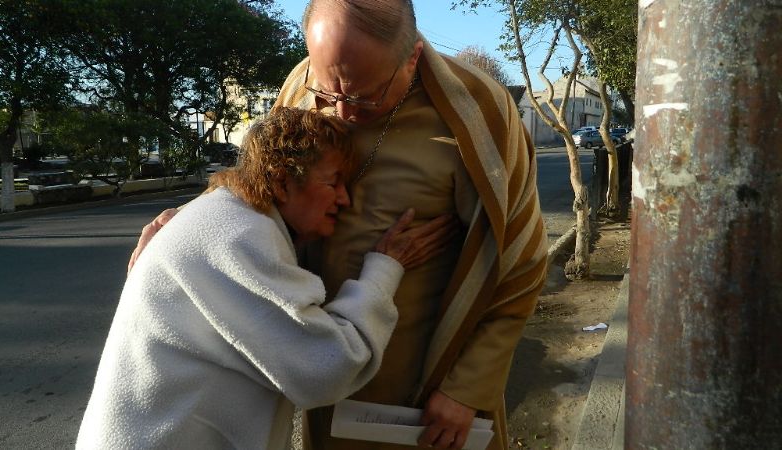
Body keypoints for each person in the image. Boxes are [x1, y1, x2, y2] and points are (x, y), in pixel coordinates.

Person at [129, 1, 548, 449]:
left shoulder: (478, 112)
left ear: (413, 57)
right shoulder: (301, 84)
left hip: (425, 395)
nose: (342, 113)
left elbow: (520, 262)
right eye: (328, 93)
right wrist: (191, 222)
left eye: (365, 97)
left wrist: (466, 389)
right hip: (323, 375)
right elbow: (265, 181)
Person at [78, 107, 456, 449]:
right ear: (281, 180)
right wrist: (386, 266)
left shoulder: (221, 215)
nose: (345, 200)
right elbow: (327, 367)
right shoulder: (238, 234)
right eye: (333, 182)